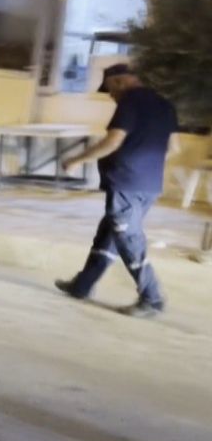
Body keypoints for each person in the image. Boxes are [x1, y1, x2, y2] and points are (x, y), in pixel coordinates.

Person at [57, 64, 179, 318]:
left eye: (110, 90)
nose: (111, 96)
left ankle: (152, 298)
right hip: (149, 184)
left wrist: (77, 160)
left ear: (118, 82)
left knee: (128, 238)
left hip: (127, 182)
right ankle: (82, 286)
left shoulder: (130, 101)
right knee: (109, 233)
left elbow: (113, 140)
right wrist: (146, 161)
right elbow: (174, 148)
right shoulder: (165, 104)